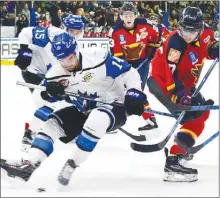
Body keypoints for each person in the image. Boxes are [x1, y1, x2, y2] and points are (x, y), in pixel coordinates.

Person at [0, 32, 148, 183]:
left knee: (97, 119)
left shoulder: (99, 60)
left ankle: (72, 163)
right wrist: (50, 93)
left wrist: (134, 93)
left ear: (76, 50)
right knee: (52, 124)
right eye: (61, 60)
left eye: (70, 58)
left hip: (113, 105)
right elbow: (41, 97)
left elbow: (130, 73)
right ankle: (29, 164)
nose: (67, 64)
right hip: (84, 110)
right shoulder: (55, 73)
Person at [147, 6, 219, 182]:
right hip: (164, 84)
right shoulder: (175, 44)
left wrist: (213, 50)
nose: (186, 34)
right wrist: (180, 95)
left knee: (202, 113)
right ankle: (173, 162)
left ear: (200, 29)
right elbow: (170, 75)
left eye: (191, 31)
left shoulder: (206, 34)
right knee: (193, 117)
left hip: (186, 83)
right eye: (184, 29)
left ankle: (179, 147)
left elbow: (206, 49)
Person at [14, 15, 85, 151]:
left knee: (52, 102)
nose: (75, 36)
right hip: (32, 70)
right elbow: (25, 33)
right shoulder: (52, 34)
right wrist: (24, 51)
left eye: (78, 32)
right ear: (65, 29)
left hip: (49, 76)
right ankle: (30, 134)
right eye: (71, 32)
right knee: (47, 102)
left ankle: (34, 129)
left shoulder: (75, 47)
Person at [110, 2, 161, 138]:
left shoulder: (145, 25)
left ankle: (150, 120)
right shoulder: (116, 32)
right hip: (125, 65)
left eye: (131, 14)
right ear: (121, 16)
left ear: (135, 15)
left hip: (142, 63)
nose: (128, 17)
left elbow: (157, 35)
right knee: (119, 91)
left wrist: (151, 51)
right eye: (125, 15)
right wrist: (125, 69)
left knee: (137, 92)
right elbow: (116, 54)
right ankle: (113, 118)